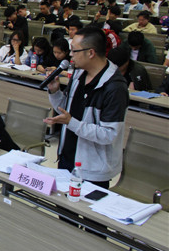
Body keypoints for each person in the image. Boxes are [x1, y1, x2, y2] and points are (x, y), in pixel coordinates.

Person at [44, 27, 129, 188]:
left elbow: (108, 134)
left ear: (91, 53)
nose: (70, 55)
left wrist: (72, 123)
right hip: (67, 157)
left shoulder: (114, 87)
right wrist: (55, 92)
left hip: (93, 169)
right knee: (61, 202)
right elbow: (66, 110)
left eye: (74, 51)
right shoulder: (79, 74)